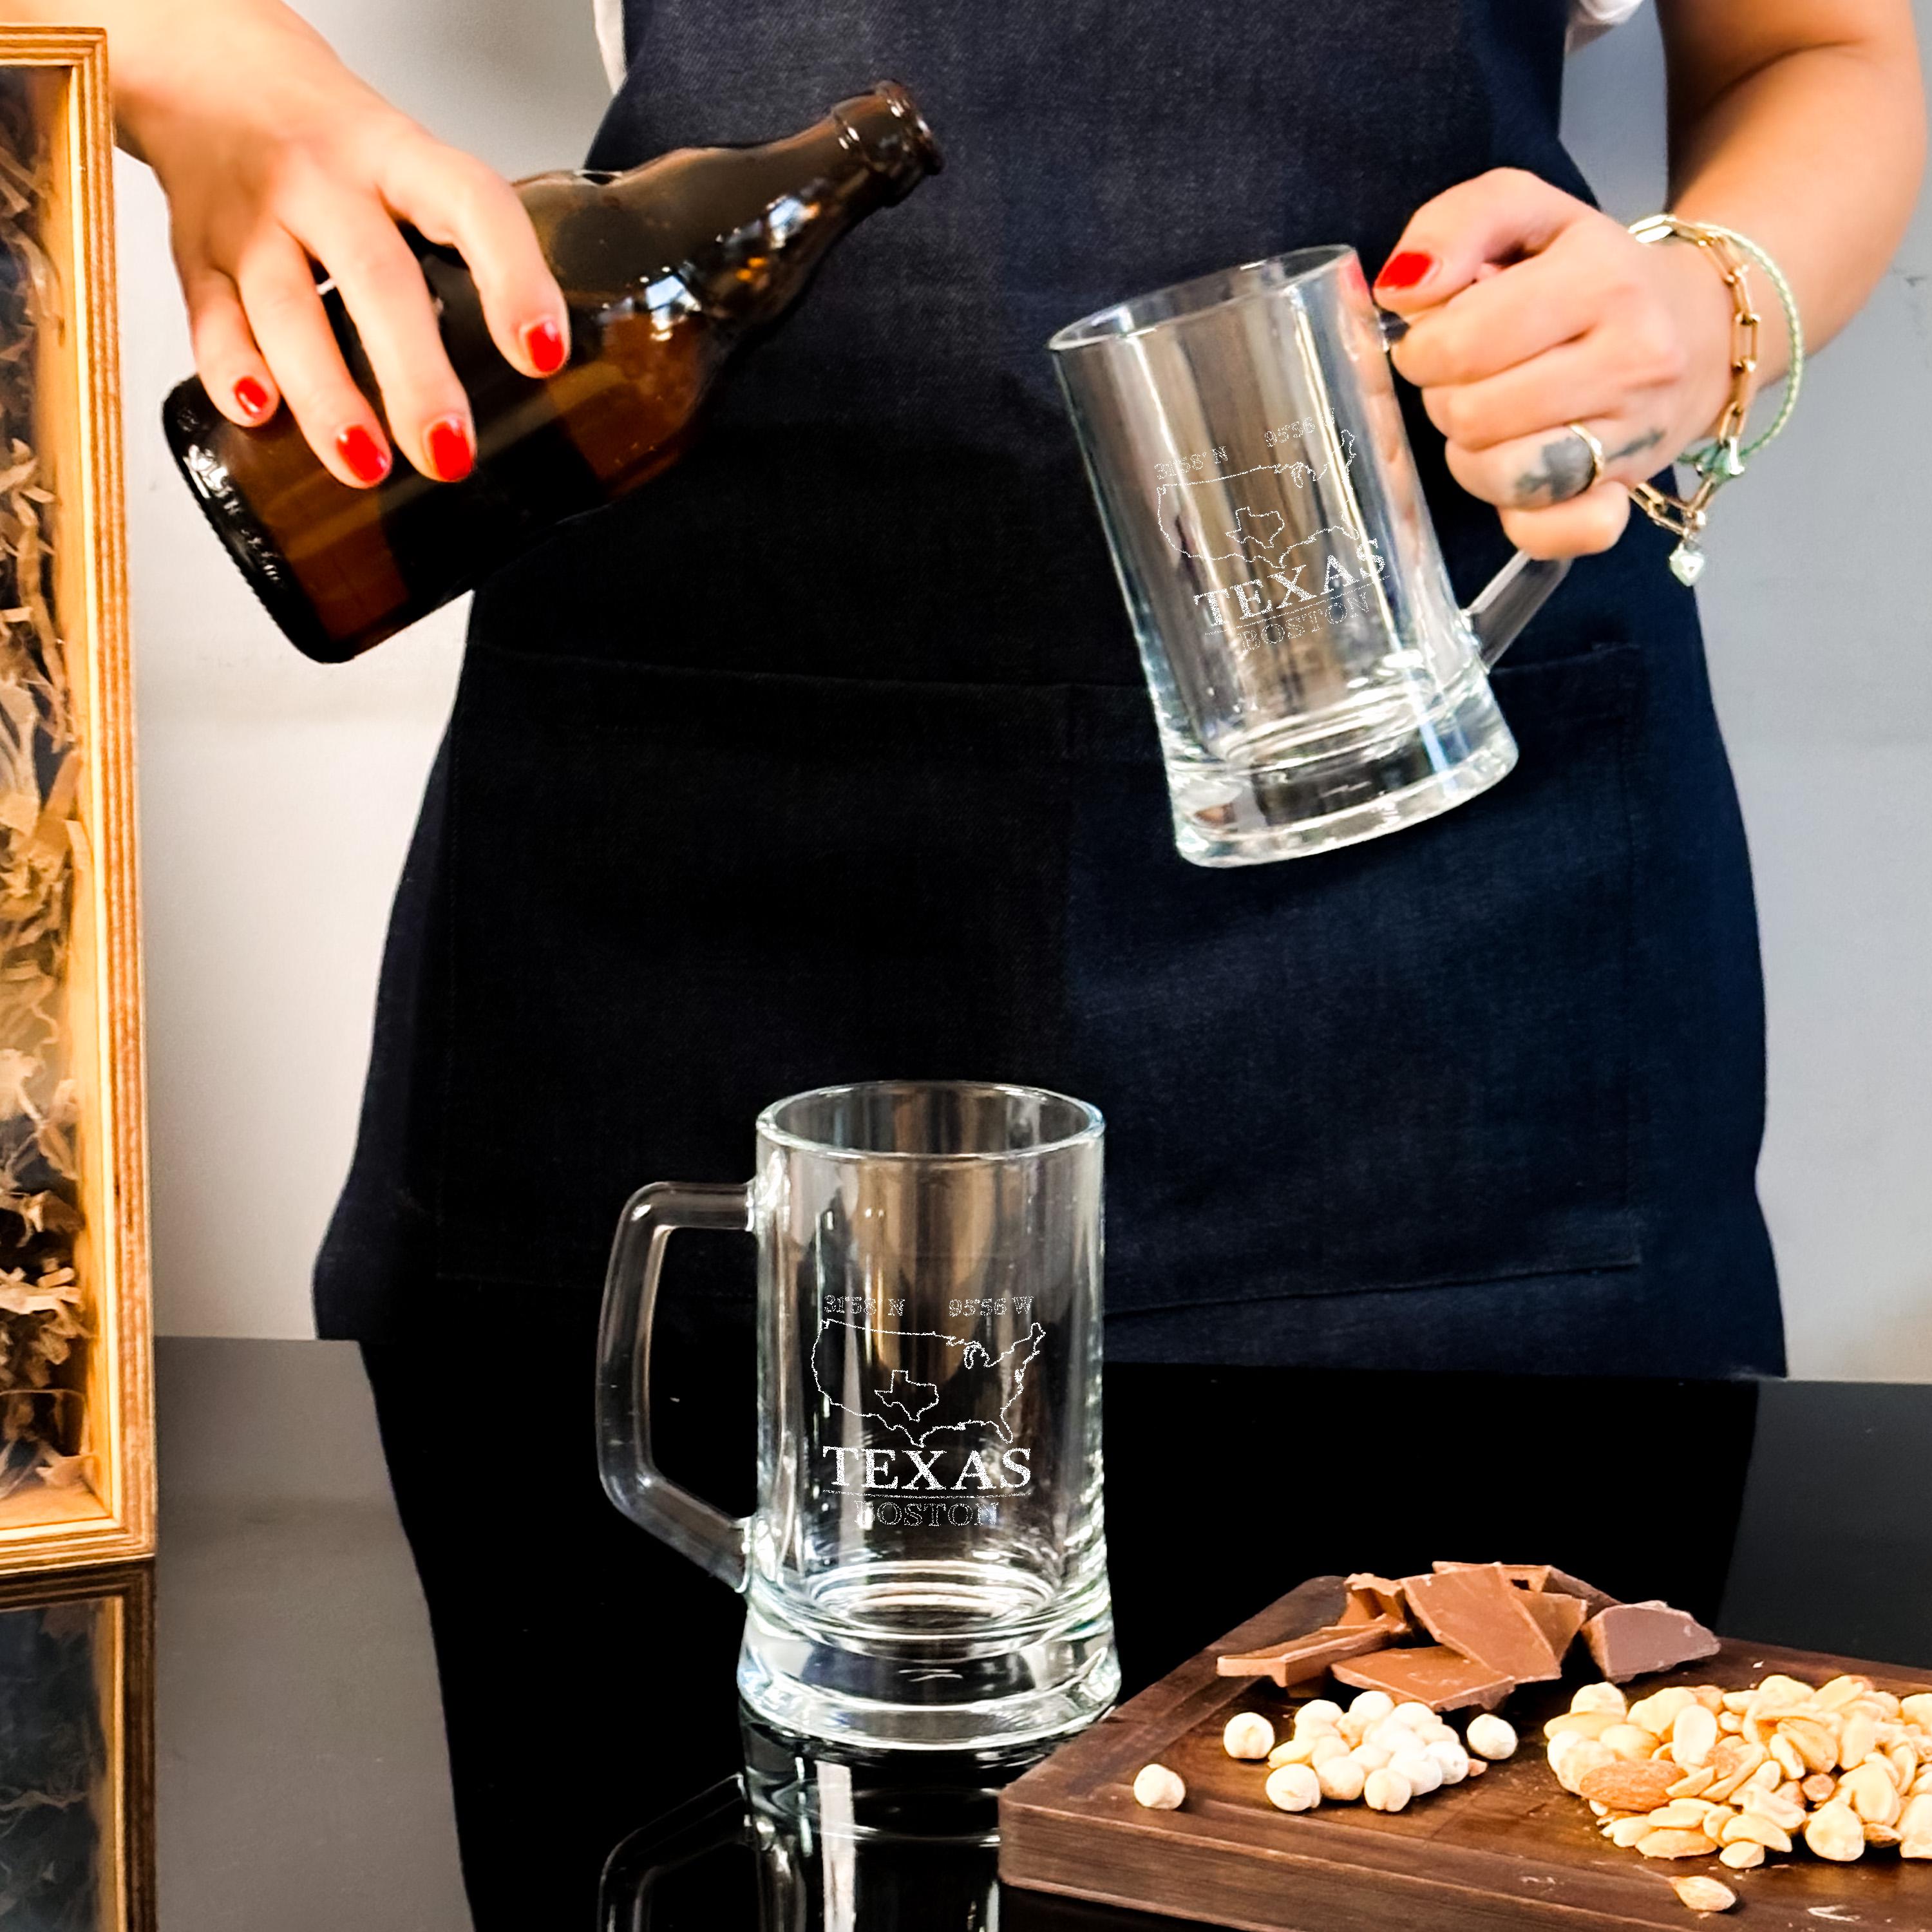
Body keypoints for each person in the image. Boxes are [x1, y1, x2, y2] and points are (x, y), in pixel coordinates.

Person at [17, 0, 1921, 1915]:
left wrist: (1709, 305)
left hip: (1424, 927)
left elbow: (1821, 54)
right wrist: (196, 65)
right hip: (685, 889)